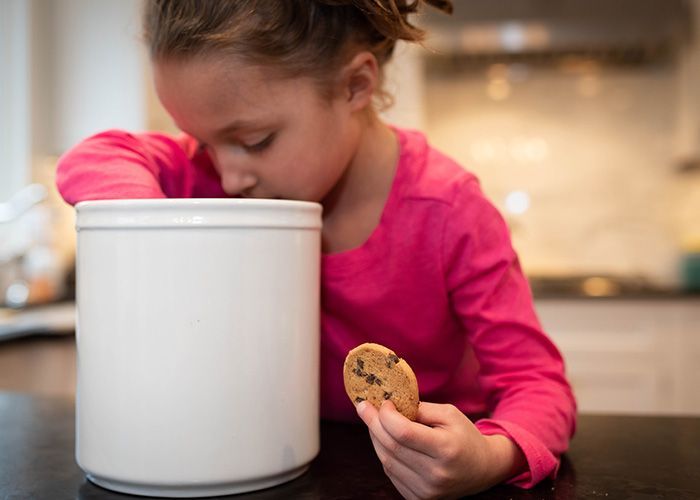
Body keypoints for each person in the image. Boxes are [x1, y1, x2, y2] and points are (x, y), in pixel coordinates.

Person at [56, 1, 577, 498]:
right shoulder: (212, 169)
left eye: (256, 140)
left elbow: (537, 384)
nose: (230, 176)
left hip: (419, 469)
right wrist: (159, 235)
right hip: (283, 459)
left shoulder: (448, 209)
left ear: (355, 85)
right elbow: (93, 157)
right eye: (205, 142)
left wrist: (489, 457)